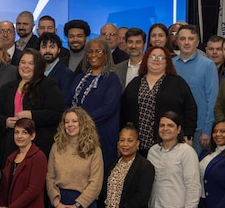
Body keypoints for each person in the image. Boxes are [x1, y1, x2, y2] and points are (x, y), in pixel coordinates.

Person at [0, 48, 63, 162]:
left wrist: (31, 115)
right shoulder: (7, 88)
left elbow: (56, 114)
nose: (26, 66)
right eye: (23, 62)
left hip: (38, 144)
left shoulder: (48, 85)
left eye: (31, 63)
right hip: (11, 144)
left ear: (38, 66)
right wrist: (6, 121)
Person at [121, 46, 197, 151]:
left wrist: (188, 134)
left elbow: (190, 109)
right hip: (137, 143)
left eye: (161, 57)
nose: (156, 60)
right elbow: (123, 110)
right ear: (146, 60)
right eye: (152, 56)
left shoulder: (177, 83)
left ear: (167, 62)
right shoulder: (135, 83)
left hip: (167, 142)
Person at [147, 111, 200, 208]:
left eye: (170, 125)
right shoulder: (153, 151)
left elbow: (193, 186)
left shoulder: (187, 152)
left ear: (178, 129)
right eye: (162, 125)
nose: (165, 128)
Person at [67, 38, 121, 168]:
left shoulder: (111, 79)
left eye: (98, 51)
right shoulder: (80, 78)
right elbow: (68, 101)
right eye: (90, 51)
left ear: (106, 55)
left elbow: (108, 108)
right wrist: (70, 120)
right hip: (76, 135)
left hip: (101, 135)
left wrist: (81, 121)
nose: (93, 55)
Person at [173, 24, 219, 151]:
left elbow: (212, 99)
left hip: (199, 129)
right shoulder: (170, 65)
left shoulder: (208, 65)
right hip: (174, 128)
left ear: (197, 42)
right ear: (177, 42)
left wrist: (207, 129)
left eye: (191, 39)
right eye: (182, 39)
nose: (186, 42)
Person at [39, 32, 74, 101]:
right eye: (44, 47)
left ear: (59, 50)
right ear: (39, 50)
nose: (47, 51)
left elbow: (64, 101)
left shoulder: (66, 74)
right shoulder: (34, 70)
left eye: (52, 47)